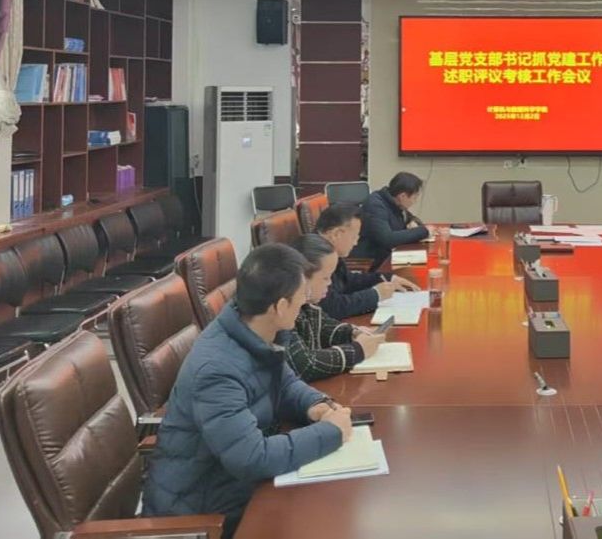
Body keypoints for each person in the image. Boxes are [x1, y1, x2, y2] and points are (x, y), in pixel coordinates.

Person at [143, 244, 353, 537]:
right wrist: (331, 433)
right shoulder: (217, 370)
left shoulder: (253, 330)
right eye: (301, 297)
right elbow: (252, 458)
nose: (305, 303)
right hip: (202, 513)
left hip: (235, 489)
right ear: (280, 306)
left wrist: (315, 405)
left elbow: (285, 382)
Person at [285, 234, 387, 381]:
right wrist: (358, 350)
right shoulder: (282, 312)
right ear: (302, 277)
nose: (330, 283)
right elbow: (305, 365)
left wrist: (352, 333)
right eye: (325, 278)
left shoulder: (307, 304)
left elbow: (324, 326)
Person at [316, 203, 418, 319]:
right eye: (354, 237)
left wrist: (386, 278)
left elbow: (348, 281)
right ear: (336, 234)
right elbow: (333, 308)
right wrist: (375, 295)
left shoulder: (328, 251)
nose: (355, 243)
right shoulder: (314, 257)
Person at [353, 171, 432, 270]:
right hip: (371, 260)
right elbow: (387, 239)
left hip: (387, 255)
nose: (415, 201)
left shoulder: (395, 202)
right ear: (402, 196)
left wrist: (412, 221)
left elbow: (411, 218)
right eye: (414, 197)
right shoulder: (376, 205)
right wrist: (423, 231)